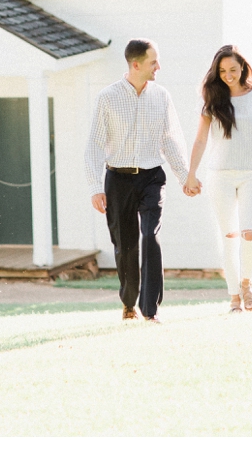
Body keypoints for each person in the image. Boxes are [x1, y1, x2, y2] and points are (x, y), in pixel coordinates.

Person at [84, 38, 195, 323]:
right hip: (117, 179)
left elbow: (171, 140)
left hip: (151, 177)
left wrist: (185, 176)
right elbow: (95, 144)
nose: (159, 66)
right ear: (135, 65)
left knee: (150, 236)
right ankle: (129, 303)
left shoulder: (162, 96)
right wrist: (96, 187)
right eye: (153, 62)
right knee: (126, 246)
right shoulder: (107, 97)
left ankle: (151, 309)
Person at [185, 45, 252, 313]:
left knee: (250, 232)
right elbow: (201, 139)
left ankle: (247, 285)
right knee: (230, 236)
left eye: (233, 70)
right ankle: (234, 296)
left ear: (243, 68)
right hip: (220, 176)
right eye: (222, 71)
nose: (228, 75)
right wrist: (191, 174)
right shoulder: (213, 99)